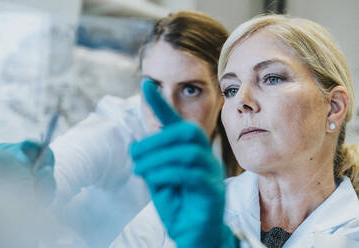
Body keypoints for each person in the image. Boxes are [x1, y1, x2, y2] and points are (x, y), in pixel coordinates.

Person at [111, 14, 359, 248]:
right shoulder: (188, 209)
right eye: (230, 89)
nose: (241, 101)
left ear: (334, 107)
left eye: (271, 78)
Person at [48, 10, 241, 247]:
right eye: (155, 87)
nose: (167, 108)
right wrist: (27, 176)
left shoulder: (238, 150)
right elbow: (58, 170)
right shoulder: (116, 129)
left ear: (224, 95)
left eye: (190, 89)